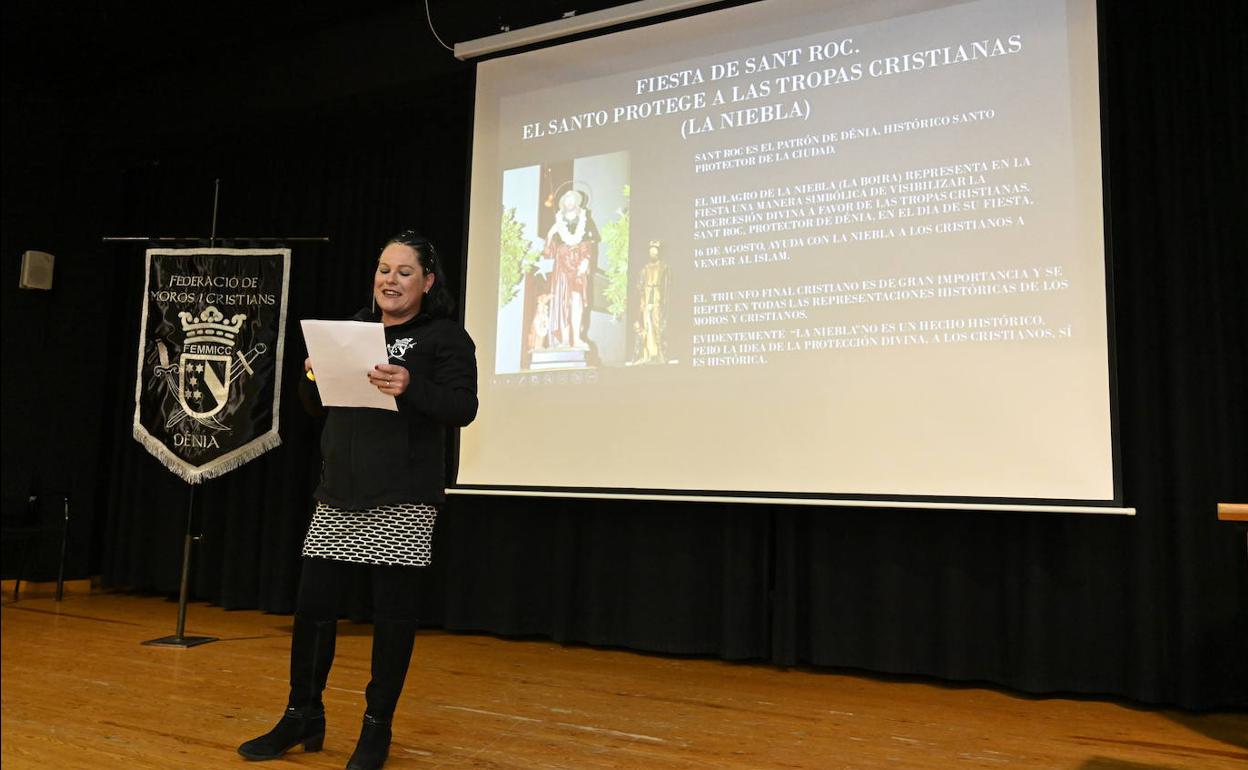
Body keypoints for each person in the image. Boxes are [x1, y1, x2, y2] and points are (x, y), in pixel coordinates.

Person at [238, 230, 478, 770]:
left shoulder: (444, 337)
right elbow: (316, 406)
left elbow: (463, 408)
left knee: (392, 617)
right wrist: (311, 375)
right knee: (313, 611)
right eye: (383, 269)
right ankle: (302, 714)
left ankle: (376, 728)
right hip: (339, 493)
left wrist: (410, 385)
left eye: (404, 272)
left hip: (402, 498)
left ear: (428, 281)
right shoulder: (353, 330)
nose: (390, 280)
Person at [543, 189, 599, 349]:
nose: (570, 202)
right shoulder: (558, 224)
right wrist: (550, 234)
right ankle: (565, 340)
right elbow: (548, 253)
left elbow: (590, 244)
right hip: (562, 268)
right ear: (563, 204)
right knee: (563, 302)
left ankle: (577, 338)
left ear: (577, 203)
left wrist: (586, 260)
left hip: (578, 267)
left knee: (577, 301)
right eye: (566, 200)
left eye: (572, 199)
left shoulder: (586, 222)